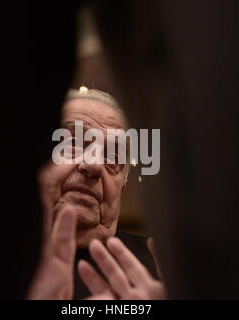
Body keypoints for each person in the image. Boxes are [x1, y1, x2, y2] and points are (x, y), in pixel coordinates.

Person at [27, 88, 166, 299]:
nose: (94, 165)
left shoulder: (161, 272)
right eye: (71, 143)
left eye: (112, 156)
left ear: (122, 189)